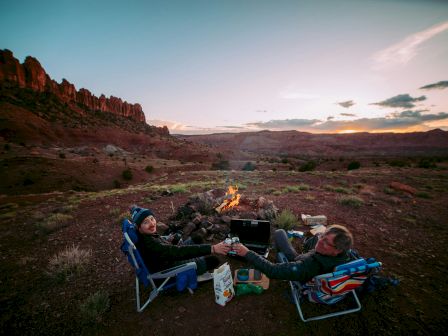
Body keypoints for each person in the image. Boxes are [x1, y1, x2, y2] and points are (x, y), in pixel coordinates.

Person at [131, 206, 230, 279]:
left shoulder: (145, 235)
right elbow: (178, 252)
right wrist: (212, 248)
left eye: (152, 219)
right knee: (214, 260)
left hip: (168, 257)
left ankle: (198, 260)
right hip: (170, 267)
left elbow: (163, 246)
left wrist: (167, 240)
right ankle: (197, 268)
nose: (152, 223)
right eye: (145, 222)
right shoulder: (151, 244)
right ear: (139, 228)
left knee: (197, 239)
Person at [232, 225, 354, 282]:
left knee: (279, 236)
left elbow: (272, 271)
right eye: (323, 236)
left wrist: (247, 252)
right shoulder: (345, 255)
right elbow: (321, 242)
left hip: (297, 264)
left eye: (326, 242)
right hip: (306, 258)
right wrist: (322, 241)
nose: (320, 241)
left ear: (337, 250)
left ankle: (283, 263)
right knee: (280, 232)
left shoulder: (309, 267)